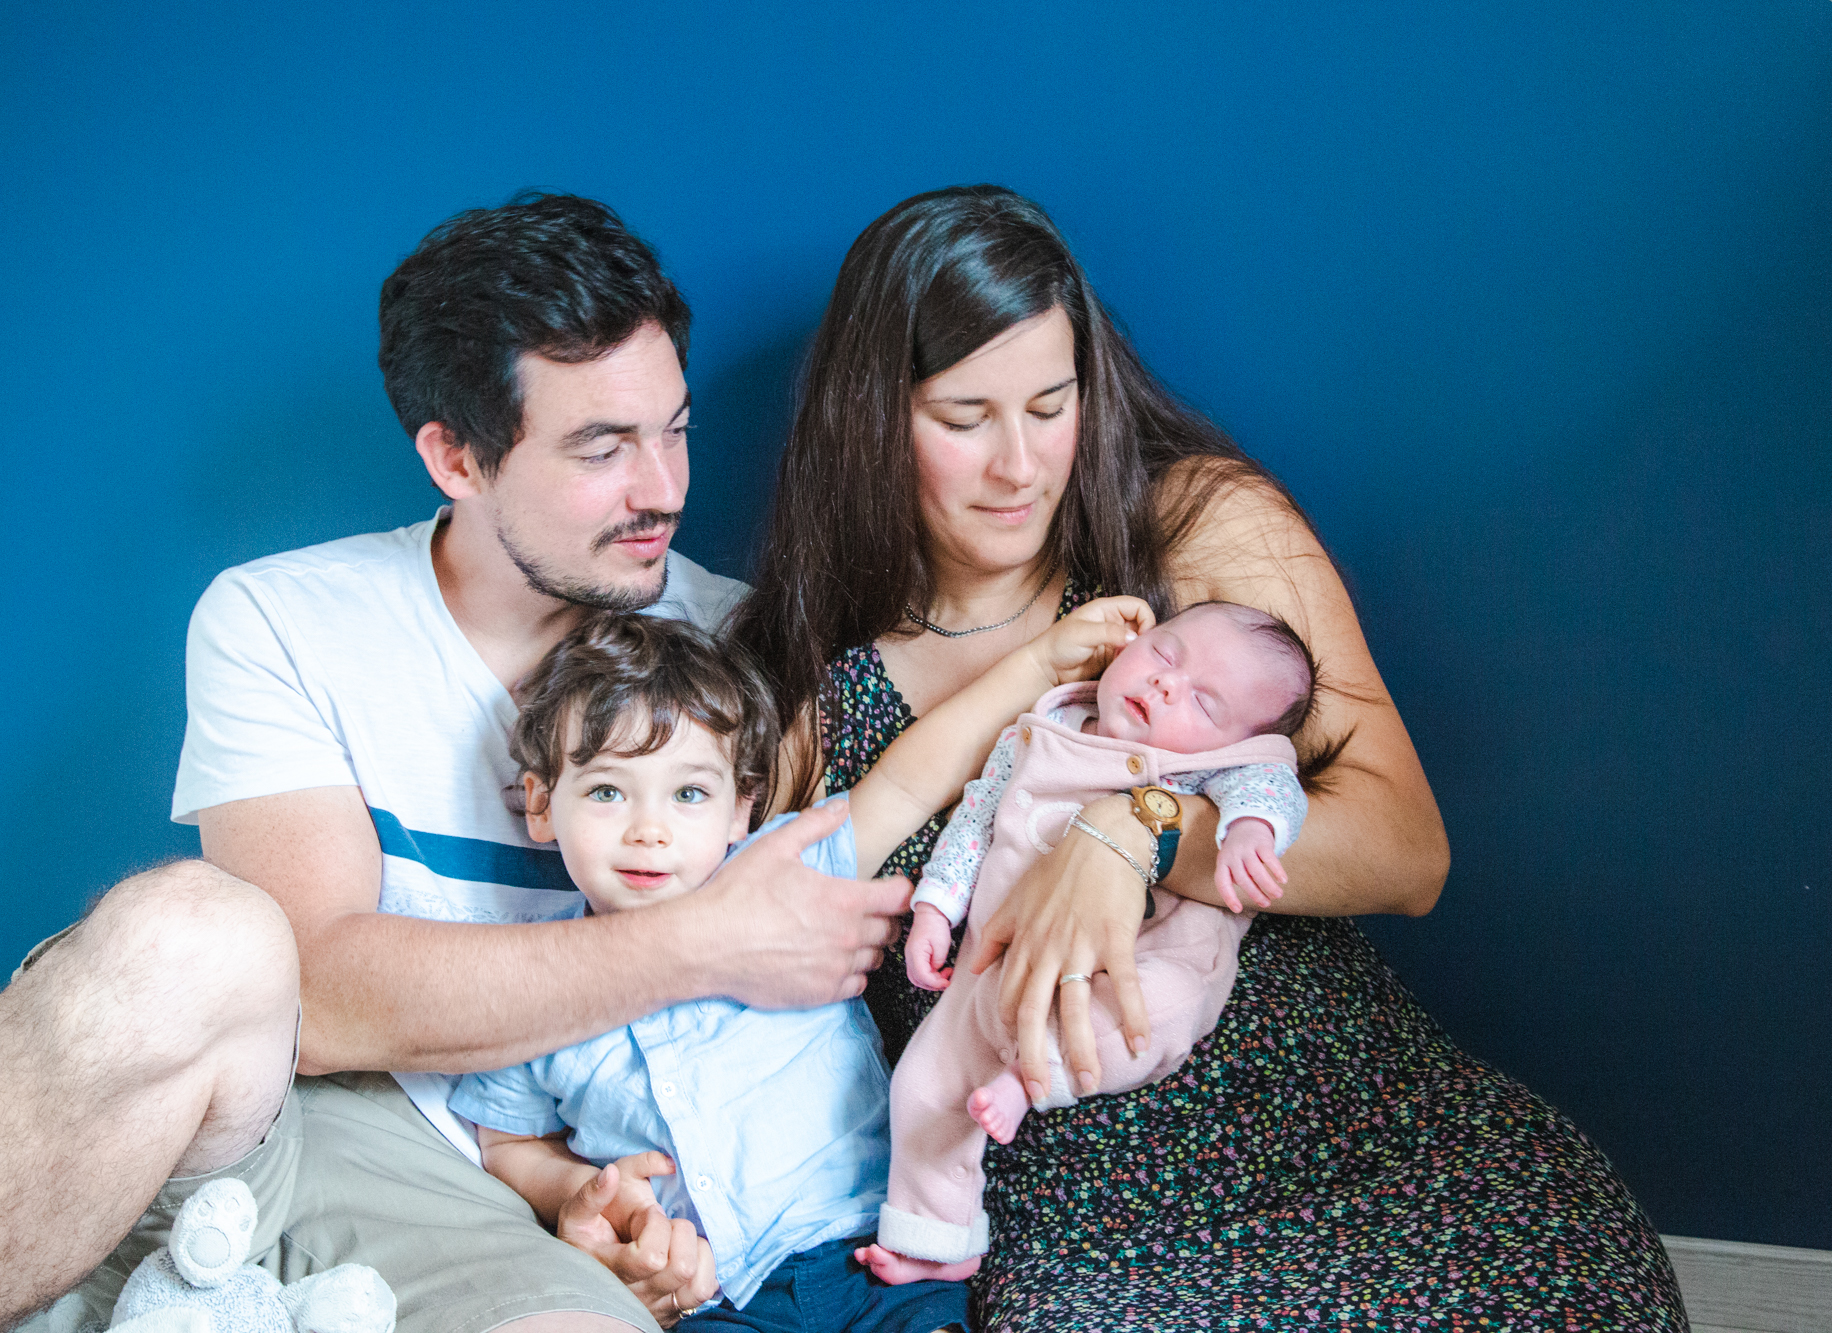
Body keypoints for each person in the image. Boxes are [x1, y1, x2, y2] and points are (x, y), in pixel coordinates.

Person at [0, 195, 911, 1333]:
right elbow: (321, 990)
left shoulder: (738, 649)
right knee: (183, 932)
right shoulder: (285, 617)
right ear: (456, 457)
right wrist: (694, 941)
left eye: (674, 430)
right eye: (602, 448)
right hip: (283, 1115)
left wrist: (585, 1195)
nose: (665, 488)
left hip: (500, 1189)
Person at [729, 185, 1687, 1328]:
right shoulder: (811, 695)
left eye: (1050, 404)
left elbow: (1405, 853)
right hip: (1078, 1215)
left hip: (1350, 1128)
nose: (1019, 465)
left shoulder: (1190, 524)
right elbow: (743, 978)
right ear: (869, 420)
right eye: (963, 417)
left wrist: (1130, 834)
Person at [446, 603, 1152, 1331]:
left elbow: (909, 783)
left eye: (689, 794)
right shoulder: (541, 980)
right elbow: (511, 1140)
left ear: (739, 809)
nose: (649, 830)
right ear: (540, 803)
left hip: (878, 1259)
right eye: (606, 791)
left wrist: (1036, 665)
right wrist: (582, 1189)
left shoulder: (784, 872)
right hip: (721, 1298)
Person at [858, 600, 1314, 1285]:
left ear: (1235, 741)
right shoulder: (1043, 728)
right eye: (1166, 653)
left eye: (1205, 702)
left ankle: (1032, 1075)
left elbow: (1272, 785)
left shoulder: (1204, 769)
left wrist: (1250, 830)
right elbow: (977, 816)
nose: (1166, 684)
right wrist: (935, 907)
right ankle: (937, 1237)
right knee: (922, 1086)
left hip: (1138, 959)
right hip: (996, 964)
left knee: (1154, 1011)